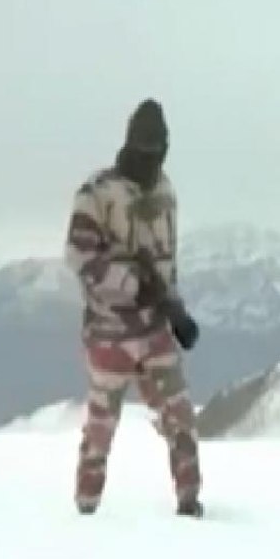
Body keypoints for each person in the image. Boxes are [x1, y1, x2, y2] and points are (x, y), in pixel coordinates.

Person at [64, 98, 203, 517]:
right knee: (101, 430)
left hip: (155, 329)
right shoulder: (97, 194)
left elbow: (165, 264)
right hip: (110, 330)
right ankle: (86, 512)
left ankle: (190, 505)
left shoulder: (164, 192)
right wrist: (128, 286)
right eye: (145, 150)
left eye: (157, 150)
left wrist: (176, 311)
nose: (151, 159)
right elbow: (78, 256)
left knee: (181, 420)